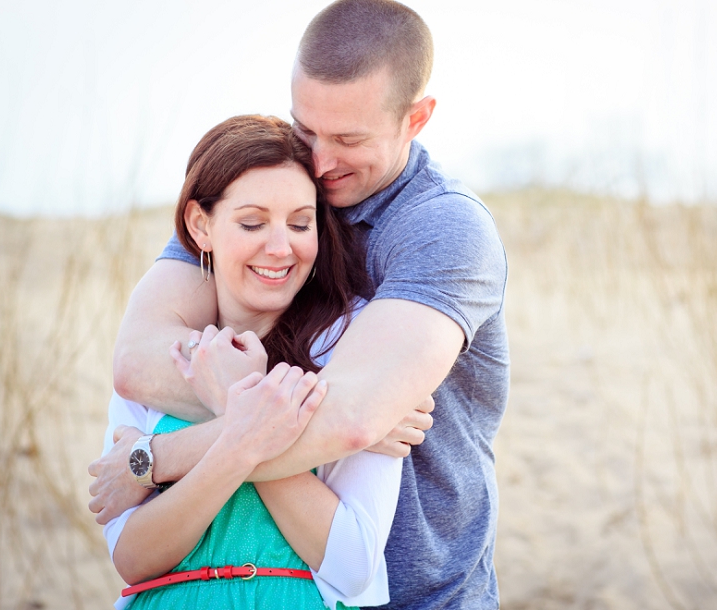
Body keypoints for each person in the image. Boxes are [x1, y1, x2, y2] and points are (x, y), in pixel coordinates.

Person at [88, 1, 510, 607]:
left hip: (425, 593)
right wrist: (314, 405)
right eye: (306, 127)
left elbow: (354, 421)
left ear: (416, 118)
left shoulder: (443, 229)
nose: (318, 160)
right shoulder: (264, 187)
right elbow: (139, 361)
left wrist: (152, 458)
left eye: (348, 139)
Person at [101, 114, 402, 609]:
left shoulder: (354, 343)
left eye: (301, 223)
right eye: (252, 223)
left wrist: (235, 407)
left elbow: (352, 565)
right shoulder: (162, 358)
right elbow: (132, 558)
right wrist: (244, 432)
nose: (281, 248)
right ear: (202, 226)